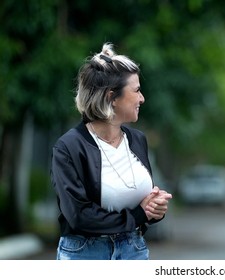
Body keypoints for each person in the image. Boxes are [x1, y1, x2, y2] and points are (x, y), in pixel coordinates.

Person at [50, 43, 172, 260]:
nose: (142, 98)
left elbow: (143, 207)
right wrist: (138, 215)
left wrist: (155, 208)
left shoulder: (137, 140)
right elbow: (79, 215)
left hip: (134, 249)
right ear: (111, 97)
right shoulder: (69, 147)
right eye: (136, 91)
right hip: (85, 254)